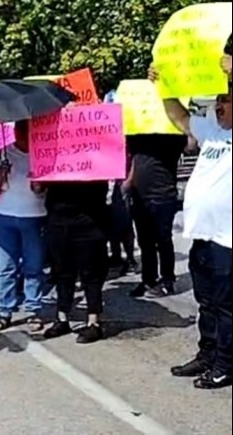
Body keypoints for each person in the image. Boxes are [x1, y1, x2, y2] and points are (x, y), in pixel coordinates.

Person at [151, 55, 232, 389]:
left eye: (225, 100)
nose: (218, 106)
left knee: (227, 306)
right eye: (218, 100)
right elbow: (180, 117)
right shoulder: (211, 128)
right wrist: (164, 87)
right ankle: (207, 354)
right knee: (207, 301)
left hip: (228, 238)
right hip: (202, 233)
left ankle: (226, 364)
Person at [0, 121, 47, 332]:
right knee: (5, 267)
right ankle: (4, 311)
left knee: (33, 266)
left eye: (27, 131)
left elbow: (46, 187)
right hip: (5, 216)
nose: (23, 135)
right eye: (20, 131)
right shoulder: (1, 153)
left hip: (34, 215)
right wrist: (1, 174)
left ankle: (33, 310)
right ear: (15, 131)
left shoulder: (42, 153)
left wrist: (40, 186)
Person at [42, 181, 110, 344]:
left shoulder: (97, 164)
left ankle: (93, 322)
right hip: (58, 221)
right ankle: (62, 318)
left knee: (90, 273)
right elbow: (38, 187)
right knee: (62, 273)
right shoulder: (54, 164)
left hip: (89, 221)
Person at [126, 134, 186, 298]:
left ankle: (167, 280)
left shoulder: (171, 136)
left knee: (163, 239)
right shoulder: (136, 134)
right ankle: (148, 280)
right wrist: (129, 181)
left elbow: (189, 144)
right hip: (139, 195)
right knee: (145, 242)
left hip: (163, 195)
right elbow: (134, 159)